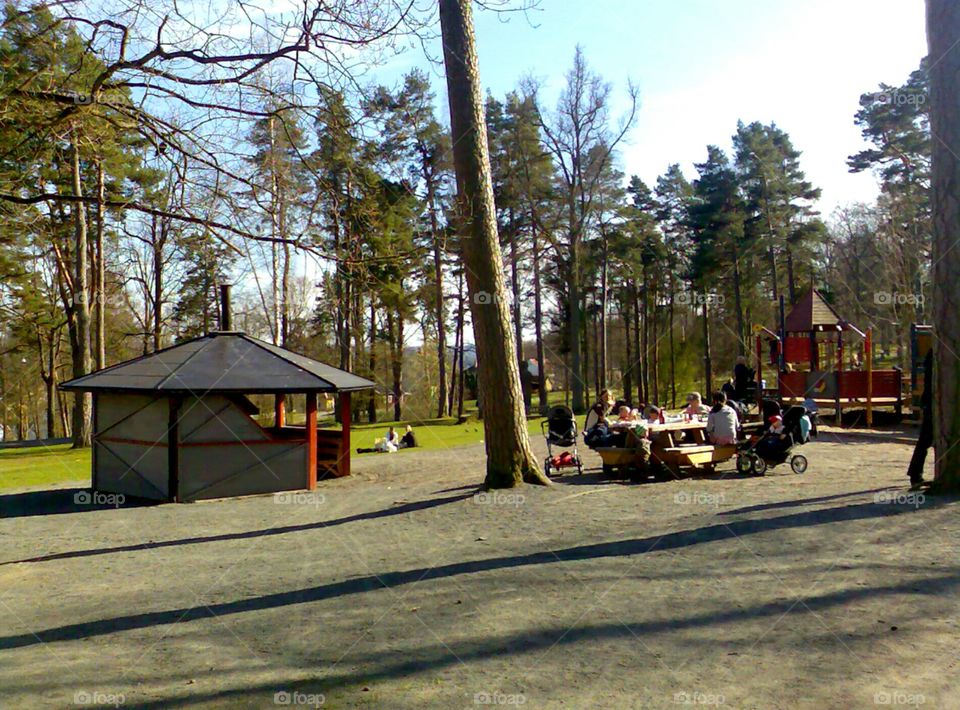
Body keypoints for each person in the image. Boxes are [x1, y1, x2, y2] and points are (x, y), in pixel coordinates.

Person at [907, 348, 934, 488]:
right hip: (932, 401)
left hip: (931, 400)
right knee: (926, 438)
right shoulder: (936, 354)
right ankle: (915, 475)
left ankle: (915, 474)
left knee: (925, 439)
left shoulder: (933, 353)